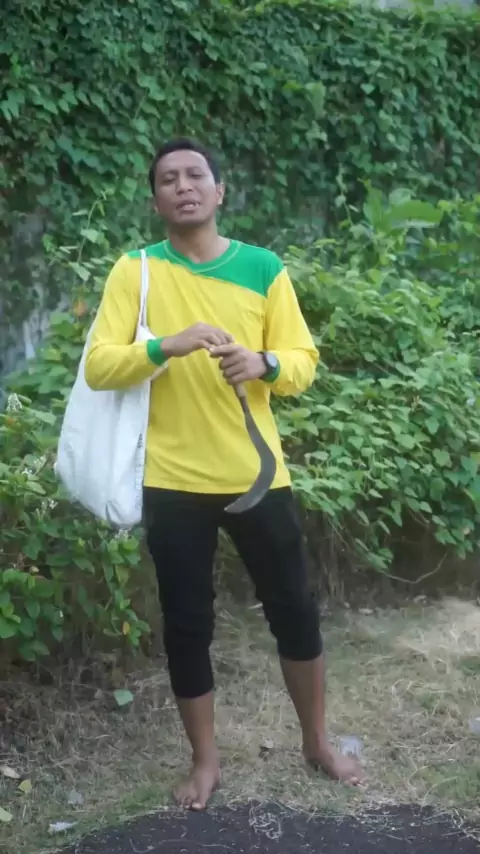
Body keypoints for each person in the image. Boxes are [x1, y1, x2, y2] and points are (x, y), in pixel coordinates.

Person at [84, 138, 363, 810]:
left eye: (194, 175)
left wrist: (265, 363)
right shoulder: (135, 270)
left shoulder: (263, 267)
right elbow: (99, 366)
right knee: (187, 624)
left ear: (219, 191)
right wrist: (165, 345)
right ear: (156, 200)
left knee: (294, 610)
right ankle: (205, 763)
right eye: (168, 179)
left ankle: (317, 743)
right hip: (171, 478)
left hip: (258, 475)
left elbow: (302, 361)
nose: (182, 186)